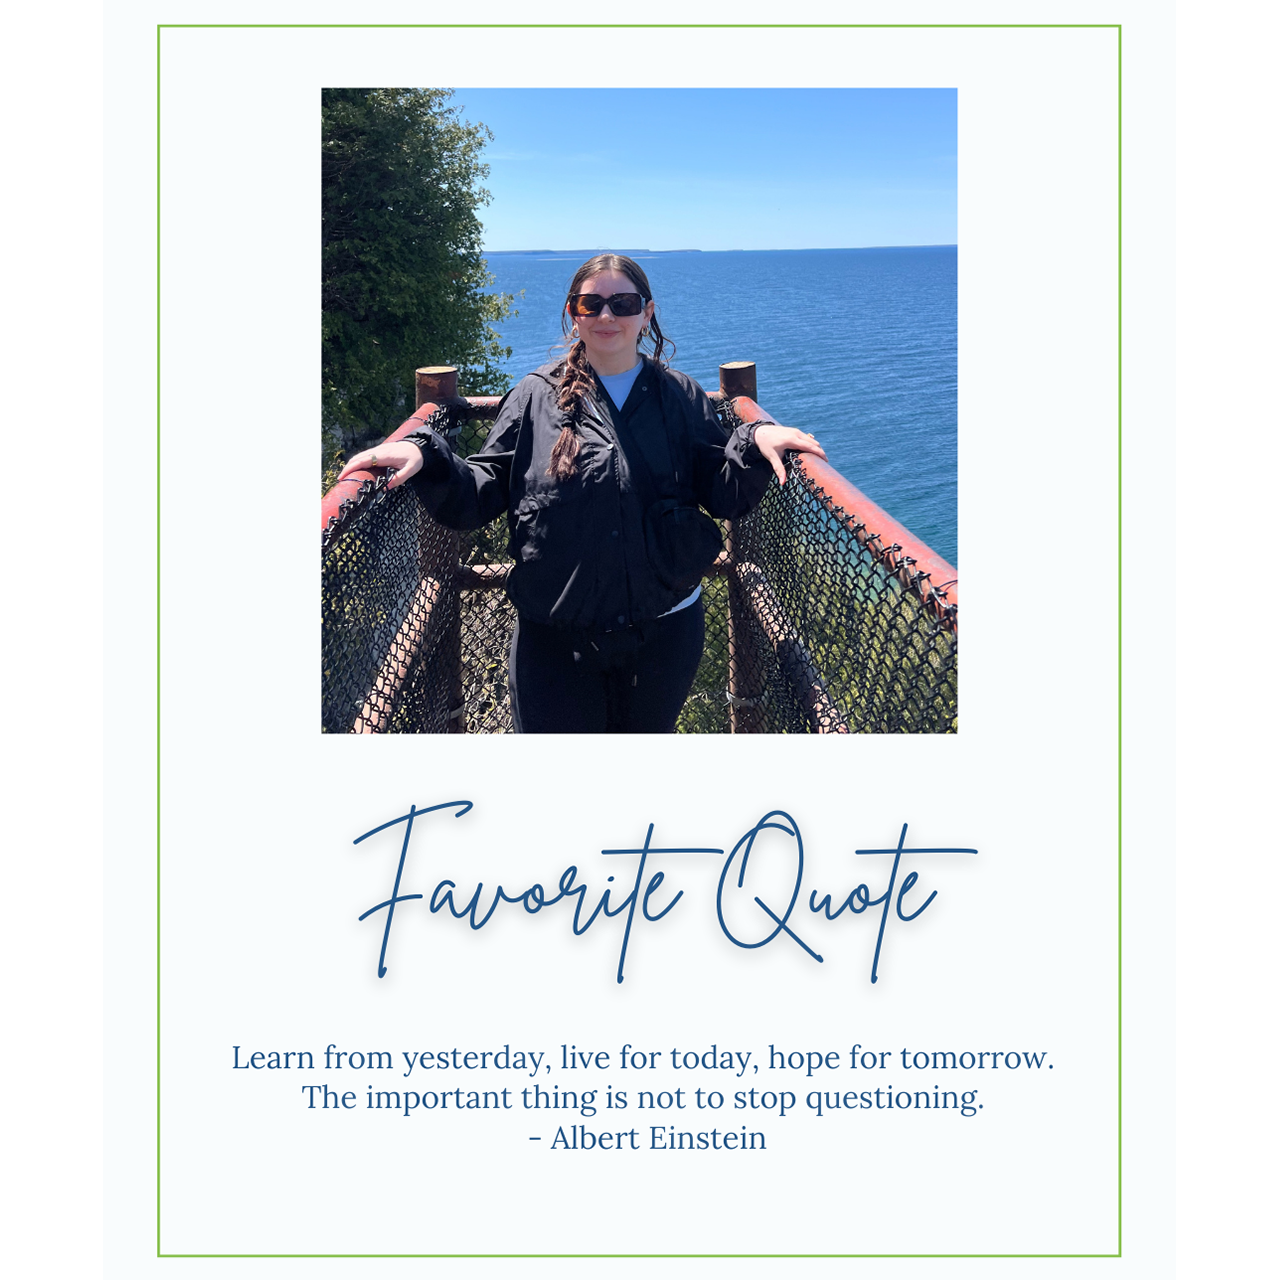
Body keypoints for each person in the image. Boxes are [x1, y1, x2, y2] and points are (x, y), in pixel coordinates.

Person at [336, 253, 826, 733]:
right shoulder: (533, 397)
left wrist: (756, 440)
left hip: (664, 634)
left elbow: (722, 493)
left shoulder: (679, 396)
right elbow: (480, 491)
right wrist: (426, 454)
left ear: (647, 313)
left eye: (624, 303)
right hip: (554, 642)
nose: (608, 315)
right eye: (592, 304)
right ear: (574, 313)